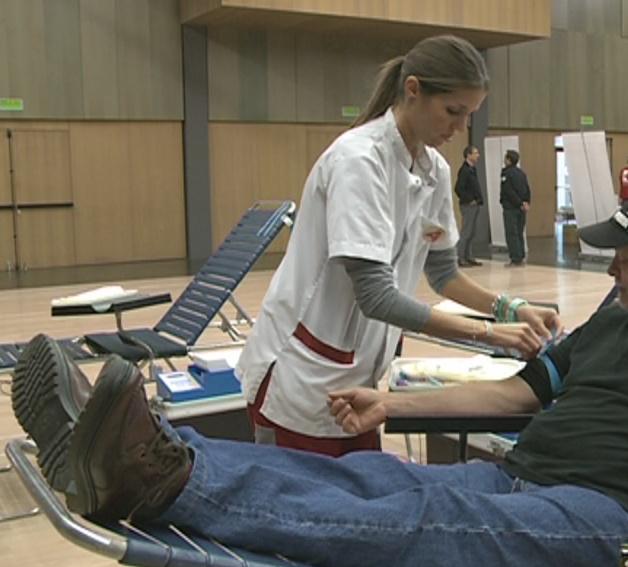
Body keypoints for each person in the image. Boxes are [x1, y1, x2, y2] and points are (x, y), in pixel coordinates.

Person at [13, 192, 628, 567]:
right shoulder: (614, 324)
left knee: (422, 512)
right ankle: (154, 451)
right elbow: (520, 394)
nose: (611, 273)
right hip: (522, 480)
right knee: (367, 474)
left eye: (623, 263)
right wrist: (391, 404)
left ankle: (148, 482)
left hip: (614, 520)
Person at [234, 35, 562, 456]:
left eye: (469, 115)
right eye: (453, 111)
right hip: (302, 378)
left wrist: (510, 307)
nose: (460, 127)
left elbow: (443, 274)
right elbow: (376, 296)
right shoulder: (358, 161)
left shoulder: (436, 171)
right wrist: (490, 333)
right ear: (413, 90)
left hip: (358, 381)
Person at [500, 149, 531, 267]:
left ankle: (515, 258)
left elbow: (508, 191)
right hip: (522, 208)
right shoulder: (521, 173)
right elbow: (527, 189)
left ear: (508, 160)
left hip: (511, 207)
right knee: (519, 232)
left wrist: (518, 203)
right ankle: (521, 255)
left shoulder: (506, 173)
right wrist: (526, 202)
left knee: (511, 233)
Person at [454, 145, 484, 267]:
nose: (478, 155)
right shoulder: (465, 170)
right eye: (475, 153)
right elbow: (458, 188)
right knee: (466, 231)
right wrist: (469, 199)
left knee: (472, 232)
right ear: (468, 155)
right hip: (468, 205)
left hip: (475, 204)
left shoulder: (472, 169)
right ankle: (459, 256)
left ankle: (468, 255)